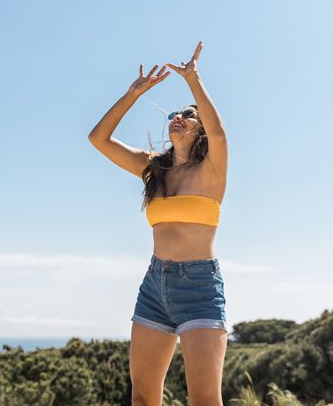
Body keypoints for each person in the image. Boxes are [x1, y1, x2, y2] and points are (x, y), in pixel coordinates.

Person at [87, 41, 229, 406]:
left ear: (200, 131)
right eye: (173, 115)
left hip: (199, 286)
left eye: (188, 115)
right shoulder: (154, 170)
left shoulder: (212, 171)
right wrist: (132, 94)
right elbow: (98, 139)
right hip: (154, 286)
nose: (177, 117)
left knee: (204, 399)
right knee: (143, 398)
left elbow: (219, 134)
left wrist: (193, 81)